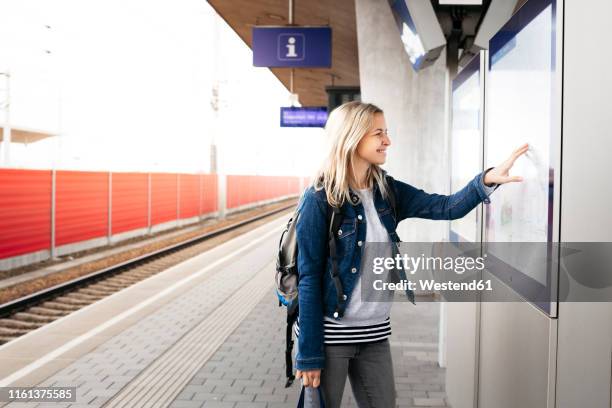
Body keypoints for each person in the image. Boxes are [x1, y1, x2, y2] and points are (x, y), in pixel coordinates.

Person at [293, 101, 528, 407]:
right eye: (379, 133)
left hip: (374, 334)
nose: (387, 141)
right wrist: (309, 353)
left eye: (386, 132)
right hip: (329, 337)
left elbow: (446, 207)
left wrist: (486, 180)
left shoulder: (386, 191)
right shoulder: (320, 199)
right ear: (352, 137)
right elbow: (308, 277)